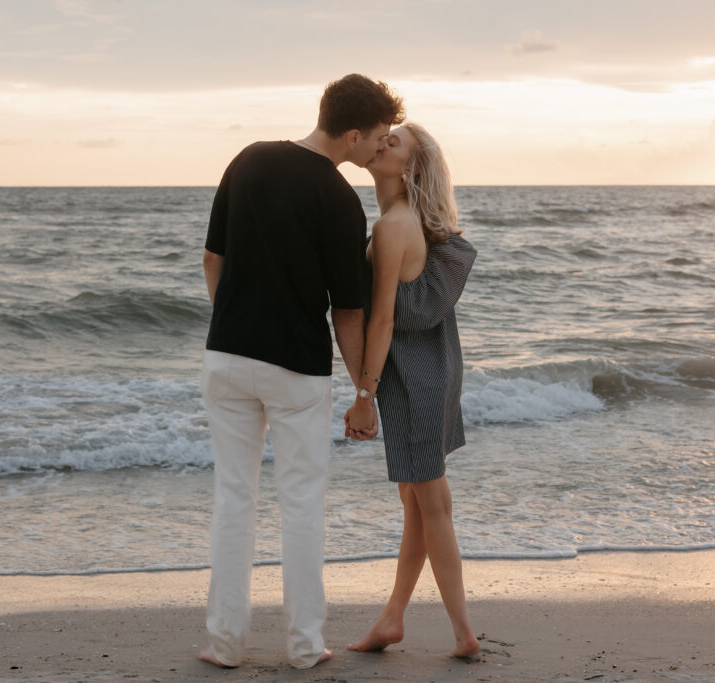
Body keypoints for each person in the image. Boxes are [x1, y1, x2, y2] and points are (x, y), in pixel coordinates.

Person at [198, 74, 403, 670]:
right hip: (297, 371)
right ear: (355, 133)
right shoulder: (340, 201)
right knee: (302, 504)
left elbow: (214, 259)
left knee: (234, 499)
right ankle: (305, 646)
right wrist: (365, 389)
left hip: (227, 358)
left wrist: (236, 325)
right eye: (379, 138)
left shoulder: (248, 160)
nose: (378, 151)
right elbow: (349, 311)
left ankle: (223, 643)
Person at [344, 123, 480, 658]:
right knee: (417, 502)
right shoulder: (401, 221)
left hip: (413, 377)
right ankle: (392, 619)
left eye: (393, 142)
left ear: (410, 168)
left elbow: (380, 322)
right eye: (381, 137)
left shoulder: (394, 227)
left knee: (433, 503)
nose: (381, 144)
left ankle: (463, 633)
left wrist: (364, 394)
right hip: (430, 367)